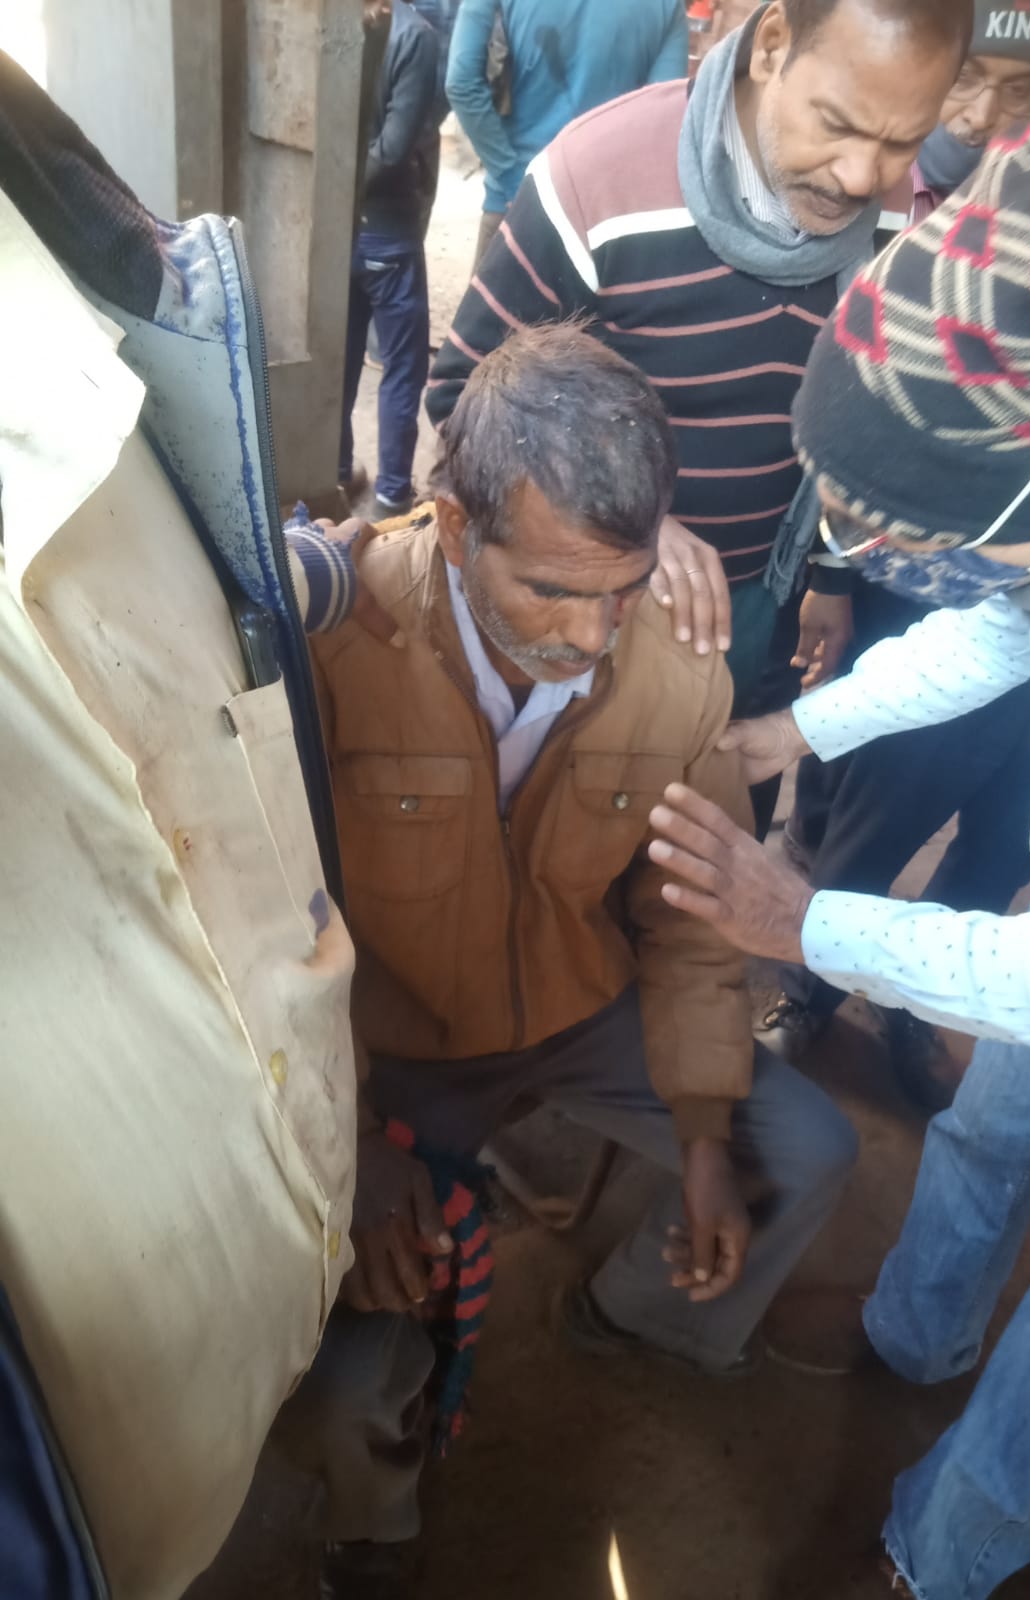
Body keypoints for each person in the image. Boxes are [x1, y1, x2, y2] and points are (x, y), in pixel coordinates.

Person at [647, 111, 1030, 1598]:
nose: (932, 584)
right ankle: (915, 1335)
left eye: (945, 551)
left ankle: (938, 1558)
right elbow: (1004, 622)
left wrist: (808, 924)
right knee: (991, 1124)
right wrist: (798, 729)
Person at [284, 323, 858, 1598]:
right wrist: (355, 1142)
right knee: (347, 1365)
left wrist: (702, 1130)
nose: (597, 634)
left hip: (582, 1009)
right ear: (452, 524)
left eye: (626, 586)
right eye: (553, 590)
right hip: (389, 1050)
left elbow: (693, 916)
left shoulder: (678, 669)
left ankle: (634, 1315)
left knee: (802, 1151)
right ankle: (375, 1528)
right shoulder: (325, 640)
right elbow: (261, 929)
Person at [0, 53, 357, 1599]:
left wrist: (336, 574)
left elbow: (213, 595)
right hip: (89, 1508)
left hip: (289, 1238)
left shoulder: (43, 197)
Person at [428, 0, 971, 737]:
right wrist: (643, 529)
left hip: (764, 600)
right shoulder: (595, 179)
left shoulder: (896, 213)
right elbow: (463, 399)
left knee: (716, 783)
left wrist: (832, 576)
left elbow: (861, 425)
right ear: (771, 45)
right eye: (837, 124)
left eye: (903, 142)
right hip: (596, 600)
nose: (859, 176)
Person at [762, 0, 1030, 1106]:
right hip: (923, 576)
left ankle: (906, 1001)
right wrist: (832, 571)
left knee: (1002, 840)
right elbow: (840, 418)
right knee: (876, 798)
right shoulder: (868, 191)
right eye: (971, 79)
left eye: (1021, 91)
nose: (985, 113)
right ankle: (807, 986)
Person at [446, 0, 689, 268]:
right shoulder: (666, 6)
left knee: (495, 296)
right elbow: (663, 113)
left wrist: (511, 177)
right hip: (604, 217)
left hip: (516, 202)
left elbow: (461, 83)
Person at [340, 0, 443, 521]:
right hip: (388, 232)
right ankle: (392, 495)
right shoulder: (415, 35)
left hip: (337, 232)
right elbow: (395, 146)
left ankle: (337, 470)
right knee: (403, 366)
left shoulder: (328, 18)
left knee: (342, 356)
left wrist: (334, 190)